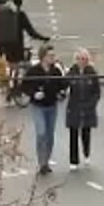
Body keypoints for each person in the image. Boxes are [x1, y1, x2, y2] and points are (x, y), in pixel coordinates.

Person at [22, 45, 67, 176]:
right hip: (38, 106)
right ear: (43, 57)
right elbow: (24, 86)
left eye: (54, 56)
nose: (53, 58)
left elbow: (62, 85)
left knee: (49, 135)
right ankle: (41, 162)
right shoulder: (34, 71)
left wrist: (61, 93)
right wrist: (33, 94)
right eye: (50, 56)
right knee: (41, 133)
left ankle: (46, 161)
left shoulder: (56, 71)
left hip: (51, 106)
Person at [0, 0, 51, 84]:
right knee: (22, 67)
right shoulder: (20, 15)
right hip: (16, 48)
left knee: (9, 68)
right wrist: (44, 38)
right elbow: (31, 32)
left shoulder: (0, 13)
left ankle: (9, 85)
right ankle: (17, 86)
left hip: (3, 48)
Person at [65, 49, 101, 171]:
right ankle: (73, 160)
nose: (82, 61)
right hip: (74, 107)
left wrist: (91, 104)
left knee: (86, 132)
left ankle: (86, 153)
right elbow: (64, 85)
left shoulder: (92, 73)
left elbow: (96, 92)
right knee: (73, 133)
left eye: (84, 59)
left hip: (87, 107)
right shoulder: (71, 72)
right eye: (79, 59)